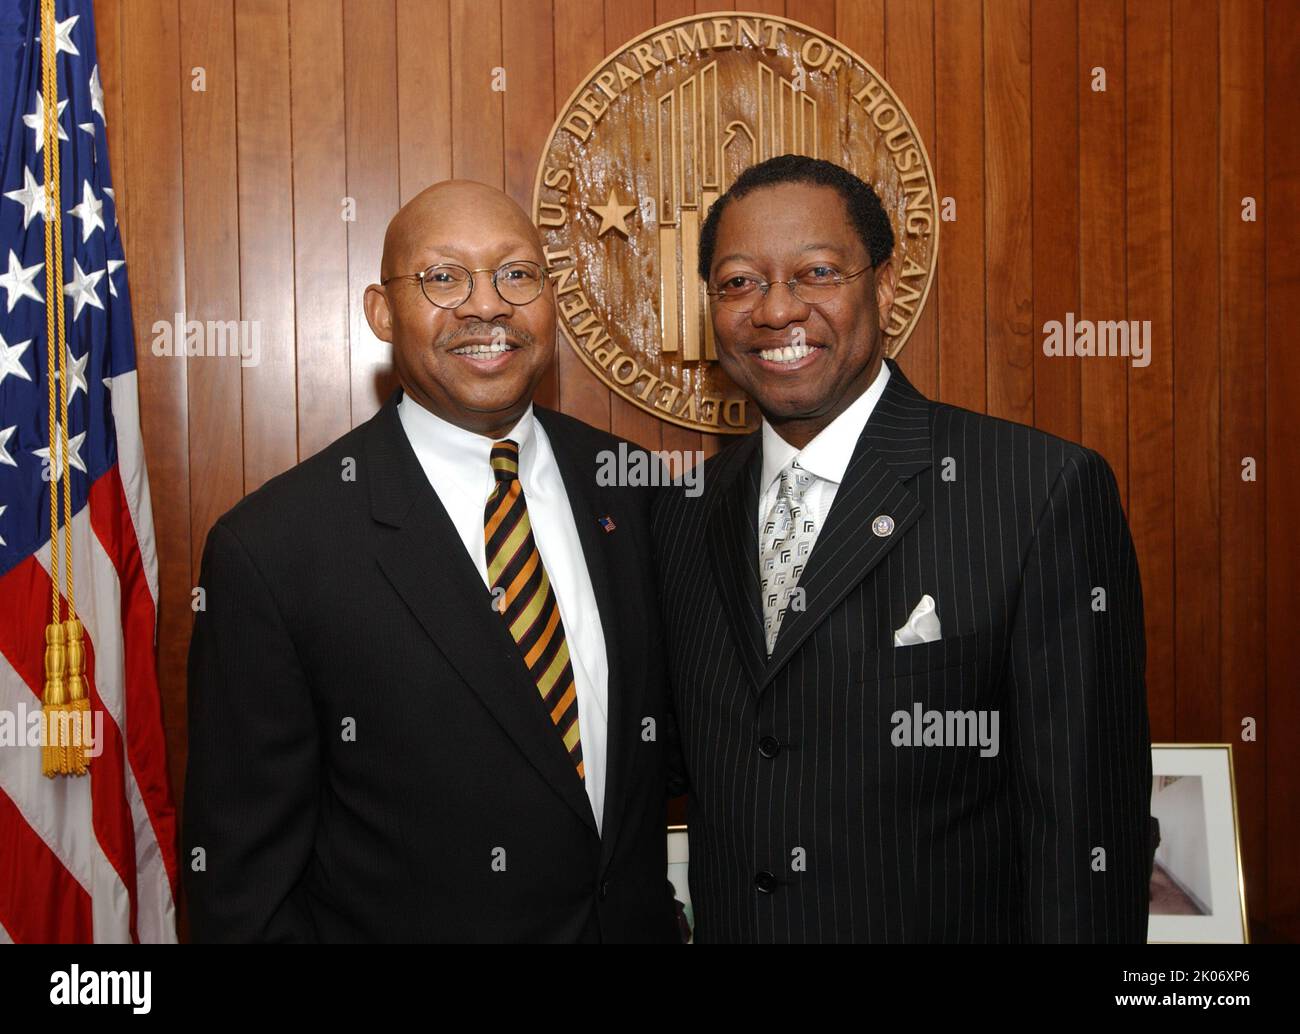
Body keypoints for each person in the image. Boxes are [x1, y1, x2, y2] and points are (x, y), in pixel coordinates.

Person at [653, 154, 1152, 943]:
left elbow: (1088, 831)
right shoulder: (683, 513)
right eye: (739, 282)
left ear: (884, 286)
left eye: (816, 272)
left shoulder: (1036, 491)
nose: (777, 311)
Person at [184, 180, 677, 943]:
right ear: (382, 311)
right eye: (444, 278)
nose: (488, 307)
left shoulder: (639, 492)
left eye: (518, 274)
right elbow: (243, 890)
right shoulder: (275, 549)